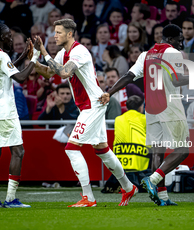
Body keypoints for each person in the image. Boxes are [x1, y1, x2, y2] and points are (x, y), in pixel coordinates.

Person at [99, 24, 194, 206]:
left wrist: (110, 91)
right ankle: (152, 179)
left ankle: (162, 197)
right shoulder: (172, 53)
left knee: (158, 152)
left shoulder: (145, 55)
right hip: (170, 107)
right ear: (170, 39)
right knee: (183, 150)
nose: (181, 43)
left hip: (151, 109)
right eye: (179, 40)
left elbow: (128, 76)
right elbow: (177, 79)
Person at [33, 18, 137, 207]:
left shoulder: (79, 51)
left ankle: (88, 197)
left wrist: (44, 52)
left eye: (58, 32)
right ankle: (129, 187)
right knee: (102, 150)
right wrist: (33, 60)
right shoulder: (63, 52)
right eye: (54, 32)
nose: (54, 35)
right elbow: (49, 72)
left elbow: (64, 73)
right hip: (88, 104)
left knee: (72, 148)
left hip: (93, 104)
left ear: (70, 34)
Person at [0, 23, 38, 208]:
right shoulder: (1, 55)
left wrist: (23, 56)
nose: (11, 38)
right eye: (7, 34)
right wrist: (34, 59)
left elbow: (7, 70)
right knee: (18, 151)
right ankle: (10, 198)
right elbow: (20, 78)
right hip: (4, 111)